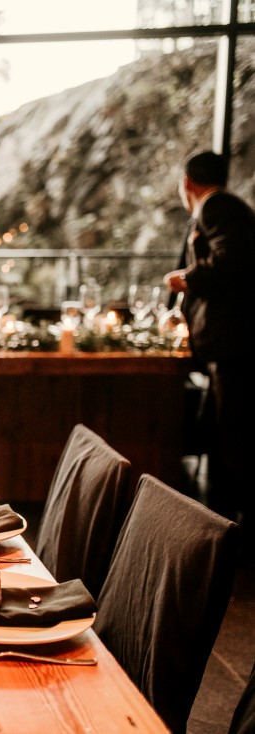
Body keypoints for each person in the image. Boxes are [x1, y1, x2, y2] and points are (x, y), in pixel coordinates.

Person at [164, 150, 255, 529]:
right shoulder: (228, 207)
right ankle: (220, 515)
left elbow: (232, 262)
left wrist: (185, 279)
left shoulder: (217, 208)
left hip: (231, 342)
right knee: (219, 429)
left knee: (231, 434)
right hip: (229, 342)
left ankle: (233, 525)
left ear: (187, 183)